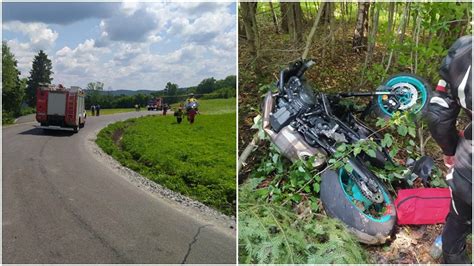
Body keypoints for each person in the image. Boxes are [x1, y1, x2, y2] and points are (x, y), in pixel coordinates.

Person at [426, 35, 472, 264]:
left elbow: (437, 114)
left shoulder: (466, 49)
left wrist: (451, 149)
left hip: (469, 166)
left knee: (458, 220)